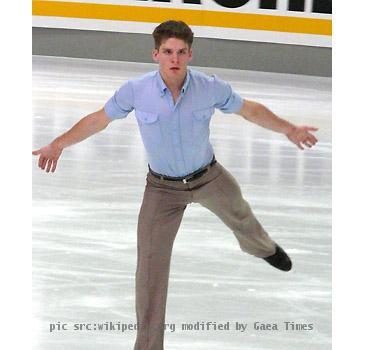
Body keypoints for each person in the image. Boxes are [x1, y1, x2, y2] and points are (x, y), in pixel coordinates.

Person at [33, 20, 318, 350]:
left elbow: (249, 110)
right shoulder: (135, 91)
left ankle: (263, 249)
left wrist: (288, 129)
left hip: (208, 177)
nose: (175, 58)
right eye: (168, 51)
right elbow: (99, 120)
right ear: (156, 54)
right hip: (162, 190)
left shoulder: (209, 87)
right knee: (150, 271)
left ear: (190, 55)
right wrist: (59, 143)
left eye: (181, 52)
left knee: (242, 216)